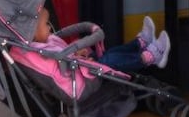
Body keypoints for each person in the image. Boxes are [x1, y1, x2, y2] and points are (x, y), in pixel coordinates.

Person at [28, 9, 171, 73]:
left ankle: (140, 44)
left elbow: (64, 54)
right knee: (111, 59)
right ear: (33, 33)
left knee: (112, 52)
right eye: (46, 24)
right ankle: (151, 57)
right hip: (83, 73)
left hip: (83, 64)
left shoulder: (46, 42)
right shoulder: (43, 51)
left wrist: (77, 53)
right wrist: (77, 57)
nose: (49, 27)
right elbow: (61, 62)